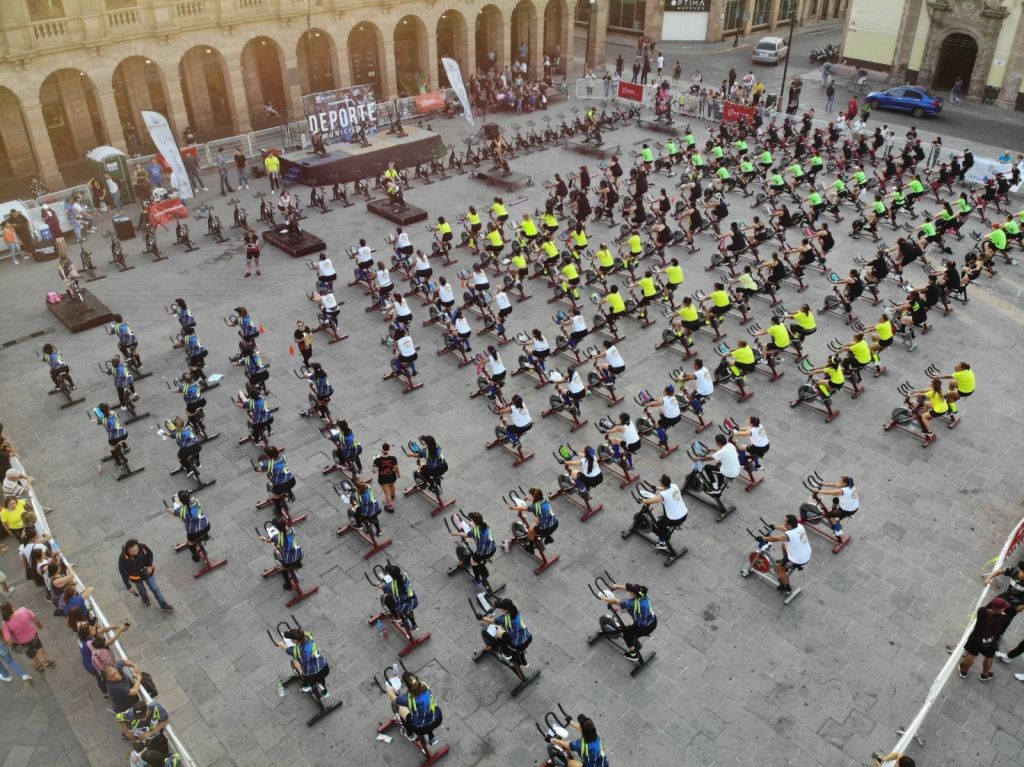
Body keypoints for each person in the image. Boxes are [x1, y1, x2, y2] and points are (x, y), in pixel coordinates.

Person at [959, 597, 1011, 681]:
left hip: (976, 639)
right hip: (991, 642)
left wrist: (993, 608)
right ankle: (985, 675)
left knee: (971, 655)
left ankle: (964, 671)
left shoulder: (982, 612)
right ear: (1002, 609)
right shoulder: (1006, 619)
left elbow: (987, 609)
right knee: (988, 657)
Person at [600, 582, 656, 661]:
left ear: (633, 594)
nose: (629, 591)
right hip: (653, 621)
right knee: (632, 628)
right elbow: (630, 588)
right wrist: (617, 586)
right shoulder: (643, 595)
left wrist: (604, 599)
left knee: (626, 633)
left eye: (630, 591)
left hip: (645, 628)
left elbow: (616, 601)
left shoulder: (632, 604)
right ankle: (635, 638)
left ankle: (633, 654)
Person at [386, 669, 442, 746]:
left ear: (407, 685)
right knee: (426, 711)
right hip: (437, 718)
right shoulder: (425, 684)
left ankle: (410, 734)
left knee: (401, 709)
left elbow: (394, 698)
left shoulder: (407, 698)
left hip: (420, 728)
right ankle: (431, 737)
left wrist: (389, 690)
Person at [758, 515, 811, 594]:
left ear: (789, 525)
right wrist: (774, 527)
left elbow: (775, 539)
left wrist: (762, 538)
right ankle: (785, 563)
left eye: (785, 522)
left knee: (779, 568)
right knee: (784, 545)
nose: (784, 523)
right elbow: (785, 529)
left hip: (799, 559)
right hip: (806, 554)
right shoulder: (799, 526)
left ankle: (786, 587)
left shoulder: (789, 535)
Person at [118, 540, 174, 612]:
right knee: (141, 590)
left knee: (155, 588)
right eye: (132, 551)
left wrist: (149, 565)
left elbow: (150, 554)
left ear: (138, 546)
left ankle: (163, 604)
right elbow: (122, 572)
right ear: (127, 550)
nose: (135, 552)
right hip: (136, 577)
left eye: (136, 549)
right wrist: (128, 586)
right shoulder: (123, 557)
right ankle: (145, 598)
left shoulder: (142, 547)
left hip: (147, 572)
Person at [275, 626, 330, 697]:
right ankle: (325, 692)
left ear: (295, 640)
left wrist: (282, 644)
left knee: (296, 663)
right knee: (321, 677)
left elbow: (288, 650)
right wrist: (296, 632)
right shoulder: (310, 637)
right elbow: (303, 633)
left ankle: (307, 686)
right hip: (324, 668)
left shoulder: (297, 650)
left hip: (311, 675)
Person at [116, 698, 171, 766]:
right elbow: (119, 717)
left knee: (160, 756)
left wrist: (150, 732)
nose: (142, 719)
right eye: (139, 717)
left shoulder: (156, 708)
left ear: (147, 709)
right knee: (144, 757)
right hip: (141, 740)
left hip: (157, 739)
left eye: (144, 716)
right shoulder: (131, 713)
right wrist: (127, 732)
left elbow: (166, 721)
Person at [1, 602, 53, 672]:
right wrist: (39, 625)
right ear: (11, 607)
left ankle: (39, 666)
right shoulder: (23, 610)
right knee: (39, 648)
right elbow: (34, 617)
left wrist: (11, 643)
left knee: (32, 655)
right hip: (33, 636)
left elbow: (8, 640)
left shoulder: (6, 623)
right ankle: (46, 661)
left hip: (23, 643)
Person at [481, 597, 532, 664]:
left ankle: (506, 653)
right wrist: (501, 603)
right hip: (528, 637)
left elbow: (490, 621)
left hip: (518, 644)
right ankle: (523, 660)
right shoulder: (516, 609)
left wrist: (481, 617)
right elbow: (509, 604)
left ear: (505, 610)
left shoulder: (503, 619)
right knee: (518, 640)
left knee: (498, 632)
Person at [372, 443, 400, 513]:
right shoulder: (393, 458)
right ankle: (392, 495)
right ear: (389, 450)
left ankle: (390, 508)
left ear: (381, 450)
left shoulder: (377, 460)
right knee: (392, 486)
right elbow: (396, 468)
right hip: (392, 476)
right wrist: (398, 474)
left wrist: (375, 464)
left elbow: (374, 471)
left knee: (387, 494)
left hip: (383, 479)